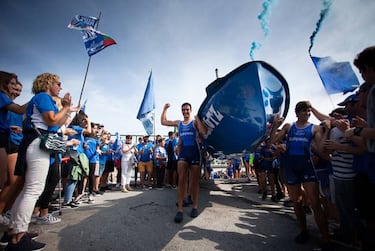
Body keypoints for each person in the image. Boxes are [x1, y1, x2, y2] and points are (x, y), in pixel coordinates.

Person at [6, 73, 77, 250]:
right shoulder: (43, 96)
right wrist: (66, 107)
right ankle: (18, 237)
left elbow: (56, 122)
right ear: (48, 83)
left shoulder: (41, 99)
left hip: (35, 143)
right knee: (33, 190)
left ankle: (14, 230)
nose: (60, 87)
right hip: (37, 144)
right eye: (58, 83)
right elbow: (51, 120)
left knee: (27, 189)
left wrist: (66, 108)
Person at [270, 101, 330, 249]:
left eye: (309, 110)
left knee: (315, 202)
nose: (307, 113)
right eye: (304, 110)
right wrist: (275, 127)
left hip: (306, 165)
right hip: (291, 166)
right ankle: (304, 231)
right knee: (296, 202)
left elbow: (322, 149)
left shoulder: (315, 128)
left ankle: (325, 237)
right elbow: (271, 142)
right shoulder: (289, 127)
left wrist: (327, 131)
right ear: (297, 113)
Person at [161, 102, 207, 223]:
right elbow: (164, 122)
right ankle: (180, 210)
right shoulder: (179, 123)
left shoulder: (194, 121)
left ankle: (195, 207)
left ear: (190, 110)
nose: (185, 111)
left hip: (195, 152)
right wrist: (165, 109)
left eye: (187, 110)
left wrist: (197, 118)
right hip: (183, 154)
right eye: (183, 110)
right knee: (181, 180)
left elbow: (204, 132)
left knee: (195, 182)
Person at [0, 71, 28, 192]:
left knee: (10, 180)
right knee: (3, 179)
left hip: (7, 138)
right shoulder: (2, 96)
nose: (14, 89)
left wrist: (9, 127)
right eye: (12, 84)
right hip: (5, 140)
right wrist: (39, 97)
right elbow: (20, 110)